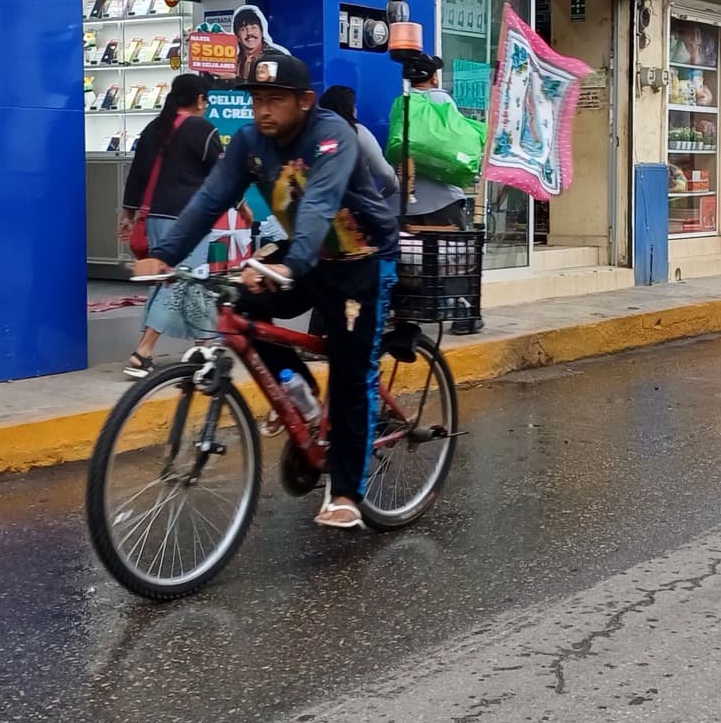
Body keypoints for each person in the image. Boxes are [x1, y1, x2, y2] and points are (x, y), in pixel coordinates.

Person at [132, 53, 399, 532]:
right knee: (243, 311)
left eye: (275, 100)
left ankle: (345, 493)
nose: (263, 111)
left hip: (361, 262)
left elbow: (318, 202)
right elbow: (211, 197)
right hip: (307, 257)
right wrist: (167, 253)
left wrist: (287, 265)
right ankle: (302, 396)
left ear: (305, 101)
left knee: (351, 368)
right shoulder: (251, 142)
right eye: (256, 100)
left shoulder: (331, 135)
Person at [118, 75, 223, 378]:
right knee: (174, 283)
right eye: (207, 101)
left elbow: (137, 173)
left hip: (154, 218)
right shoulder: (202, 129)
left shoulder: (154, 128)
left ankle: (207, 345)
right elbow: (222, 174)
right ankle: (143, 351)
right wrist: (240, 203)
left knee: (193, 283)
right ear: (200, 99)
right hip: (188, 220)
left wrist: (128, 214)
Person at [396, 56, 472, 230]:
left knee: (412, 255)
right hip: (441, 198)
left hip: (405, 201)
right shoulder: (441, 99)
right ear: (434, 77)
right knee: (450, 253)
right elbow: (459, 138)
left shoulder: (401, 102)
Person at [319, 85, 398, 201]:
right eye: (353, 105)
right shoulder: (358, 132)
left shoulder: (318, 133)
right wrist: (385, 193)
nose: (356, 108)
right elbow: (385, 173)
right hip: (352, 207)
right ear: (348, 108)